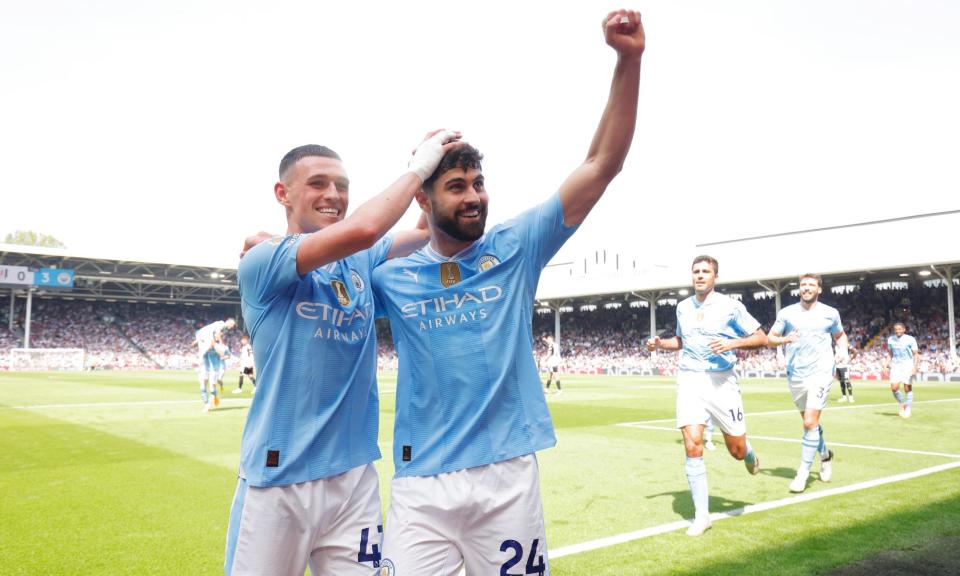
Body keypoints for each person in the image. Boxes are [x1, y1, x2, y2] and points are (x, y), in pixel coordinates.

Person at [370, 10, 644, 574]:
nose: (473, 197)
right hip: (421, 482)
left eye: (478, 184)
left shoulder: (515, 247)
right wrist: (272, 242)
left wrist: (627, 59)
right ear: (422, 200)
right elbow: (326, 262)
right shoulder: (389, 275)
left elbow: (601, 165)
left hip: (506, 477)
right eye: (455, 187)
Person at [226, 131, 462, 576]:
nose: (333, 195)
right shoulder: (264, 259)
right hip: (279, 479)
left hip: (354, 476)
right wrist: (418, 169)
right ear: (284, 193)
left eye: (342, 186)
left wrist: (434, 187)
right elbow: (367, 227)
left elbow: (421, 234)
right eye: (317, 183)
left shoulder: (361, 259)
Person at [646, 255, 767, 536]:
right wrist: (659, 343)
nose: (700, 276)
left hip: (722, 382)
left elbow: (761, 338)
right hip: (690, 378)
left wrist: (732, 343)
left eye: (705, 272)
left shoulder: (730, 306)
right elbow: (681, 341)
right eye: (696, 271)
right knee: (692, 443)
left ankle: (748, 452)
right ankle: (702, 516)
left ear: (715, 277)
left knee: (736, 450)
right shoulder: (682, 307)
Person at [766, 273, 848, 493]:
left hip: (821, 372)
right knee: (810, 424)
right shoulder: (787, 313)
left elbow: (840, 335)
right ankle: (825, 454)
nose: (807, 288)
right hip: (796, 375)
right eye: (803, 285)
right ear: (799, 288)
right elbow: (770, 337)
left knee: (810, 422)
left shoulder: (830, 314)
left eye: (811, 285)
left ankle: (802, 473)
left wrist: (842, 351)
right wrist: (784, 340)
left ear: (819, 289)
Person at [194, 318, 235, 412]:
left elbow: (223, 354)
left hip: (215, 368)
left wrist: (217, 346)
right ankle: (207, 404)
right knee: (202, 386)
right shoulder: (221, 324)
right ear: (228, 321)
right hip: (205, 365)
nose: (231, 327)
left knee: (212, 387)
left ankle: (215, 395)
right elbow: (215, 333)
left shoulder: (220, 346)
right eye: (232, 324)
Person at [886, 322, 919, 418]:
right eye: (896, 329)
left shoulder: (910, 339)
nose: (897, 331)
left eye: (899, 329)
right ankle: (901, 403)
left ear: (904, 329)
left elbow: (916, 354)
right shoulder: (891, 339)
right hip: (895, 366)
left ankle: (908, 408)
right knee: (894, 388)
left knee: (907, 388)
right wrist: (886, 363)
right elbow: (890, 353)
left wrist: (915, 367)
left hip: (907, 365)